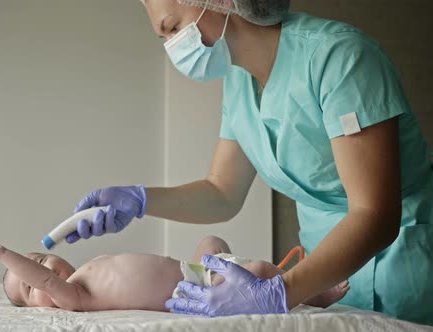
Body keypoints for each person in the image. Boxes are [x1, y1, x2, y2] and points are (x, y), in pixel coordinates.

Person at [62, 0, 433, 325]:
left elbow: (374, 215)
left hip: (402, 268)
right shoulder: (239, 80)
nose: (173, 48)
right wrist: (141, 200)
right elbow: (222, 191)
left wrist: (279, 292)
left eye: (173, 28)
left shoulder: (340, 59)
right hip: (322, 276)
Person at [0, 236, 348, 311]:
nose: (42, 272)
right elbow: (48, 282)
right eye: (30, 284)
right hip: (195, 291)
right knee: (264, 271)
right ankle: (316, 295)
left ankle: (218, 255)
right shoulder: (74, 298)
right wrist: (5, 256)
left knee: (210, 240)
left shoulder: (88, 269)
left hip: (192, 271)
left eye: (39, 261)